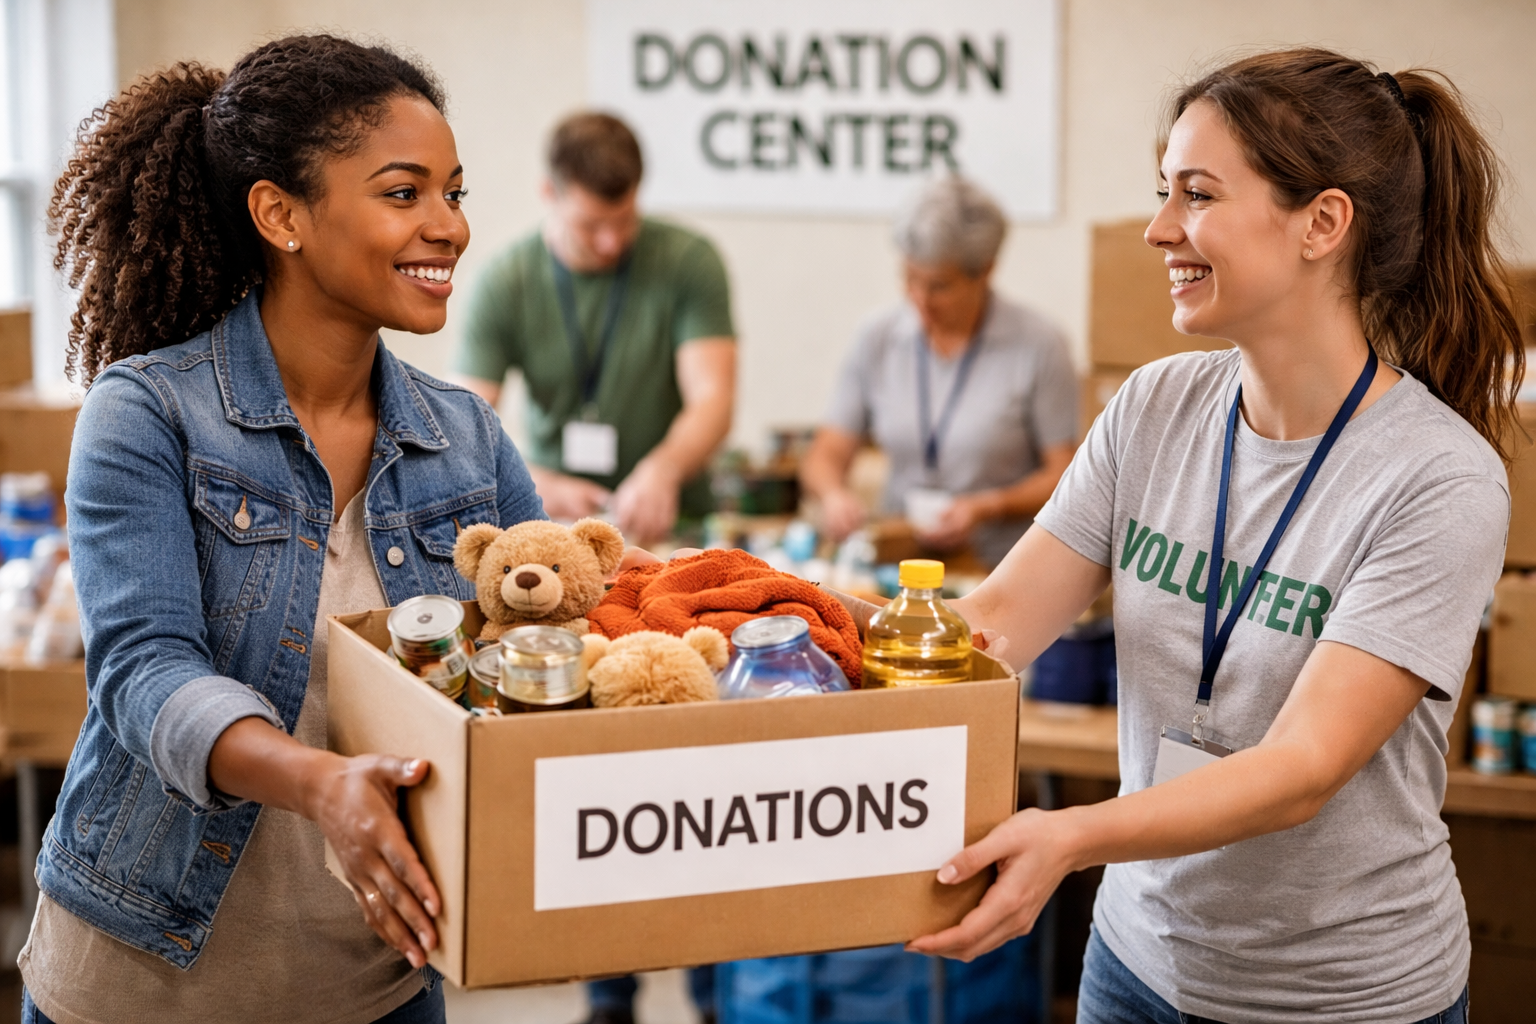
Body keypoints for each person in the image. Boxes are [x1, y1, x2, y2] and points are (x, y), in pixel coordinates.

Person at [899, 50, 1522, 1024]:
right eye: (1163, 193)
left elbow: (1302, 767)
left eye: (1196, 195)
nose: (1158, 230)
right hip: (1137, 963)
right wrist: (755, 617)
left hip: (1343, 998)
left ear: (1322, 222)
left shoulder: (1439, 478)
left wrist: (1068, 835)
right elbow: (991, 624)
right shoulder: (1155, 406)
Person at [19, 36, 546, 1024]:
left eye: (456, 194)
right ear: (280, 215)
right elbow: (144, 674)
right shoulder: (148, 414)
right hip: (141, 986)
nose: (449, 228)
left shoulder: (467, 438)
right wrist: (322, 783)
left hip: (377, 990)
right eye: (405, 194)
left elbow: (549, 649)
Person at [455, 112, 736, 545]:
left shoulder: (690, 261)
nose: (611, 242)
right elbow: (462, 425)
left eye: (624, 220)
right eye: (591, 226)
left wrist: (665, 469)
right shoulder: (504, 281)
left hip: (672, 526)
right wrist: (532, 482)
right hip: (553, 529)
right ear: (549, 192)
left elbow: (713, 399)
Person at [799, 176, 1078, 569]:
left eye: (939, 286)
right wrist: (833, 495)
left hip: (998, 568)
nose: (920, 300)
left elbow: (1065, 475)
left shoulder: (1040, 344)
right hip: (897, 564)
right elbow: (825, 454)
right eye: (910, 279)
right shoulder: (877, 337)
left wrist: (986, 507)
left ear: (985, 271)